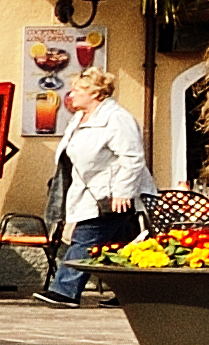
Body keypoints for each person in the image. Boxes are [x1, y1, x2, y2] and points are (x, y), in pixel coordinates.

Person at [41, 70, 150, 304]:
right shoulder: (79, 118)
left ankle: (65, 290)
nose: (71, 95)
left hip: (110, 194)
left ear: (95, 93)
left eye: (78, 90)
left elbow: (132, 157)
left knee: (87, 237)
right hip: (89, 191)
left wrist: (122, 191)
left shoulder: (116, 118)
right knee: (120, 245)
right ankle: (133, 294)